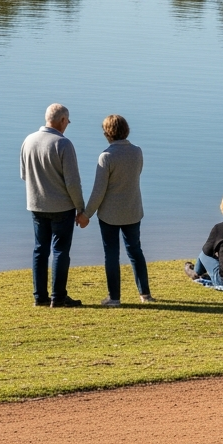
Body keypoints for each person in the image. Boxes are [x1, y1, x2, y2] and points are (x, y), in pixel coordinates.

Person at [80, 114, 152, 306]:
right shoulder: (137, 152)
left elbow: (98, 191)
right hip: (132, 210)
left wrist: (86, 214)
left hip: (109, 215)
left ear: (107, 133)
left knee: (111, 254)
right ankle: (145, 294)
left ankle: (114, 297)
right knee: (135, 251)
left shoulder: (106, 157)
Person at [21, 103, 86, 308]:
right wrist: (81, 208)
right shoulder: (63, 144)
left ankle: (40, 297)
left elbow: (24, 175)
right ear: (62, 120)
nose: (67, 125)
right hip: (61, 207)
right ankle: (58, 297)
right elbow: (73, 182)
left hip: (36, 205)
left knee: (40, 250)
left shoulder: (28, 140)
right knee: (60, 251)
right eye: (67, 121)